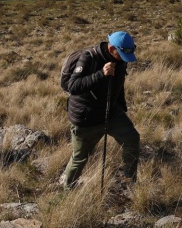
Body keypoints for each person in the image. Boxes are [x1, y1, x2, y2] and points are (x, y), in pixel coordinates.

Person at [60, 31, 140, 189]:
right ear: (111, 49)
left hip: (111, 112)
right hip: (85, 118)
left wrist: (121, 106)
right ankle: (67, 190)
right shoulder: (88, 58)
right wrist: (100, 75)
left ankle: (129, 181)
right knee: (80, 157)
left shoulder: (121, 59)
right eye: (122, 54)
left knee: (132, 139)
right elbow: (73, 86)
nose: (124, 59)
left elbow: (118, 83)